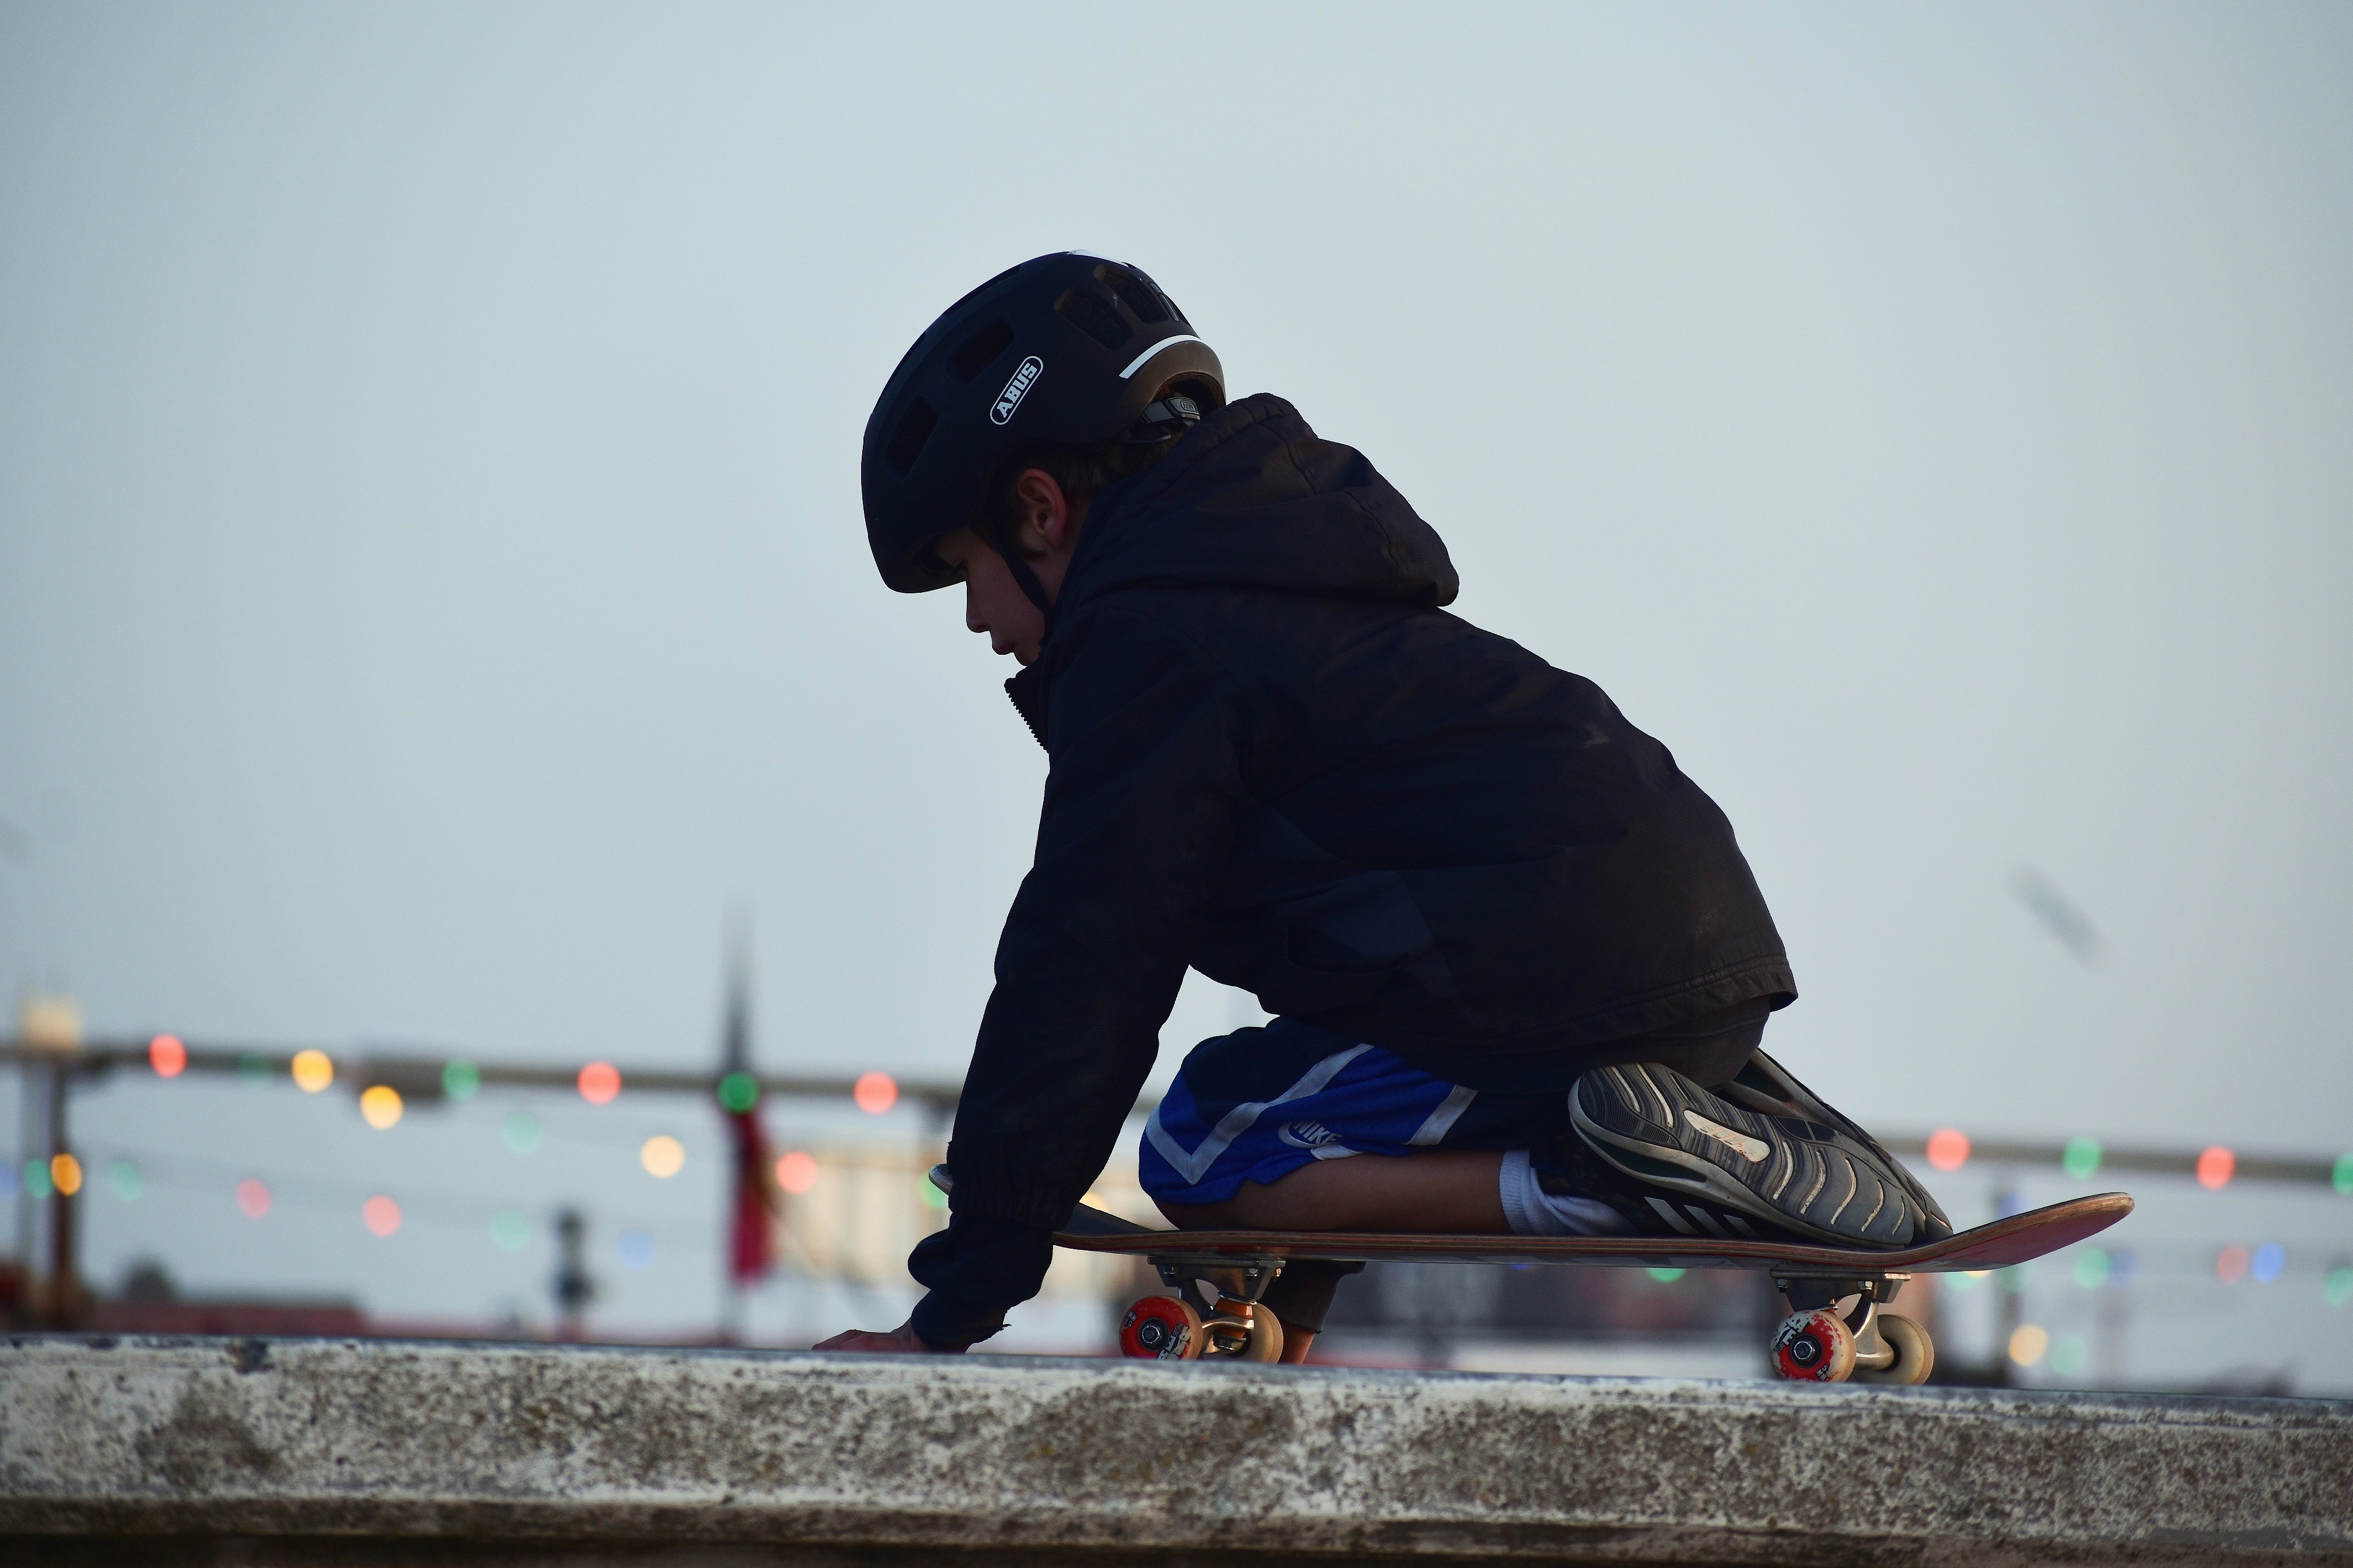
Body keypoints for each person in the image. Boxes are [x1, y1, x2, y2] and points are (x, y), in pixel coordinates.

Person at [817, 253, 1946, 1362]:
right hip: (1679, 960)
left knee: (1206, 1143)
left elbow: (1088, 955)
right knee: (1278, 1082)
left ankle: (1602, 1186)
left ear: (1039, 507)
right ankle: (1757, 1137)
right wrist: (1290, 1320)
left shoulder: (1151, 638)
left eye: (967, 565)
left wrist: (957, 1301)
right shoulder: (1275, 579)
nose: (974, 617)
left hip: (1546, 974)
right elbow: (1377, 976)